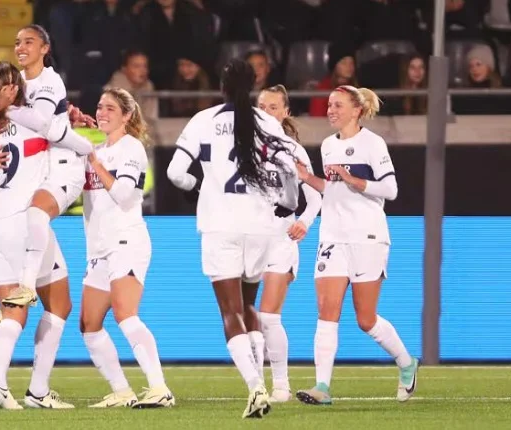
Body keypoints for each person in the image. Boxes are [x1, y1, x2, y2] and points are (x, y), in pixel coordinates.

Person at [166, 59, 300, 419]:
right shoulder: (269, 122)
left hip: (220, 224)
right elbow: (291, 173)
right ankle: (264, 381)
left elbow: (175, 172)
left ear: (222, 86)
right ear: (254, 85)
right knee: (249, 306)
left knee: (231, 312)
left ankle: (256, 387)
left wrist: (199, 188)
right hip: (261, 226)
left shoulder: (203, 120)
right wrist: (288, 205)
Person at [294, 85, 419, 406]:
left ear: (356, 110)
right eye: (329, 105)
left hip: (368, 236)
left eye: (337, 105)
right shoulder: (326, 145)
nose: (330, 110)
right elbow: (331, 190)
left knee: (366, 319)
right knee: (326, 312)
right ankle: (322, 386)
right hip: (333, 236)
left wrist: (352, 178)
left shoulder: (372, 144)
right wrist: (307, 177)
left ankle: (406, 362)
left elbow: (390, 189)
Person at [0, 61, 76, 410]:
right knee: (59, 304)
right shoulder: (32, 121)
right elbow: (56, 129)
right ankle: (37, 391)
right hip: (24, 224)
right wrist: (69, 117)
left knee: (10, 309)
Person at [80, 88, 173, 409]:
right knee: (89, 325)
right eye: (99, 106)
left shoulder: (130, 148)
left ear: (127, 115)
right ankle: (121, 391)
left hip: (126, 240)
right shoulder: (96, 149)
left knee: (125, 313)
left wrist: (93, 162)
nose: (102, 112)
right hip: (99, 247)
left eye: (110, 108)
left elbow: (123, 194)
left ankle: (159, 387)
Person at [0, 24, 94, 310]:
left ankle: (26, 286)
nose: (21, 47)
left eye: (29, 42)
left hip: (64, 166)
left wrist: (3, 108)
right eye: (17, 42)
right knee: (59, 307)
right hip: (38, 168)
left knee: (36, 213)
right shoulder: (20, 85)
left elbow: (42, 122)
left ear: (45, 48)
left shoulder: (50, 81)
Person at [252, 85, 323, 402]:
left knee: (268, 317)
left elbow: (315, 195)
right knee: (248, 320)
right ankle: (255, 385)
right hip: (247, 240)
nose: (266, 111)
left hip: (280, 239)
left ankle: (280, 384)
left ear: (285, 112)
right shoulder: (243, 148)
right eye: (261, 106)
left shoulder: (294, 150)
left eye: (273, 107)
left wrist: (303, 222)